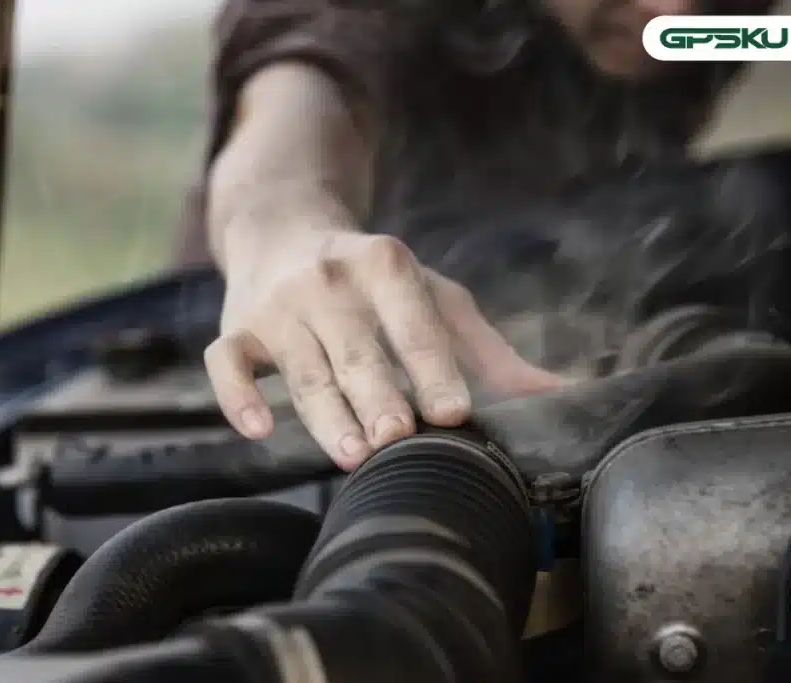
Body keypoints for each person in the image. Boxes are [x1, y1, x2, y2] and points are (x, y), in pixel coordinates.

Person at [178, 0, 778, 470]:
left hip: (588, 280)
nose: (677, 14)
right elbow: (292, 112)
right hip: (293, 352)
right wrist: (288, 238)